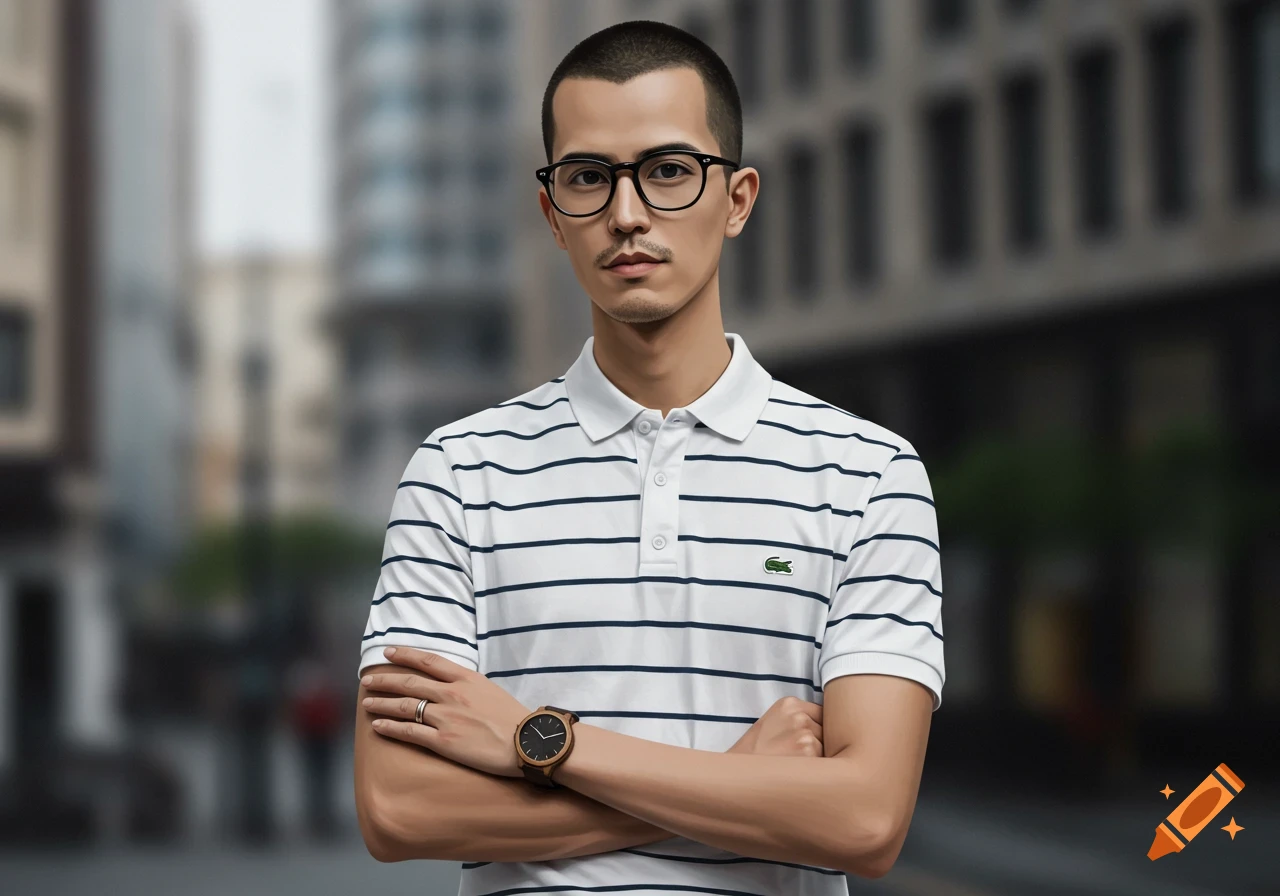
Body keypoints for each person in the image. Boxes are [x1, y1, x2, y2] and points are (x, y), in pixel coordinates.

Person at [354, 20, 943, 893]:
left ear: (738, 198)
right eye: (589, 178)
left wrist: (541, 744)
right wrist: (748, 779)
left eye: (668, 172)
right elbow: (400, 811)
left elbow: (864, 820)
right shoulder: (457, 472)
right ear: (553, 214)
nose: (627, 215)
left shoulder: (869, 476)